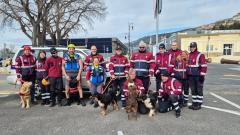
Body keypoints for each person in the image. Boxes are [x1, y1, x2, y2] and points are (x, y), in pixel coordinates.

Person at [187, 42, 207, 110]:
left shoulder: (200, 55)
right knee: (193, 90)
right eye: (191, 47)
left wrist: (202, 75)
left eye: (193, 47)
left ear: (196, 47)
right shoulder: (189, 55)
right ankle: (194, 103)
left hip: (198, 76)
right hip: (190, 76)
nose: (192, 48)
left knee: (199, 90)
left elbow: (204, 66)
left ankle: (199, 104)